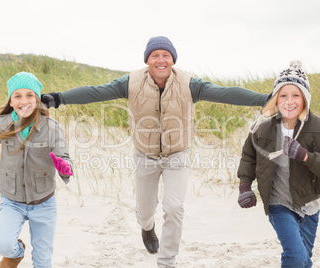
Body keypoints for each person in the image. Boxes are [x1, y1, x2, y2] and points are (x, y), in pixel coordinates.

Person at [41, 36, 268, 268]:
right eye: (155, 55)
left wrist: (263, 99)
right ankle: (147, 228)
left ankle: (166, 262)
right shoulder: (130, 83)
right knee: (145, 211)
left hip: (177, 154)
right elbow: (96, 92)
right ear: (147, 60)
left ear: (173, 60)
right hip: (145, 154)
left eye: (166, 55)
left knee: (174, 207)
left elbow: (225, 93)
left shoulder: (190, 85)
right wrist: (59, 98)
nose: (161, 60)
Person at [0, 72, 74, 268]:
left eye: (30, 95)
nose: (24, 101)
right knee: (3, 246)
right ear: (11, 101)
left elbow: (64, 157)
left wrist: (64, 168)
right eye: (17, 96)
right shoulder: (1, 124)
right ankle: (17, 253)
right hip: (12, 200)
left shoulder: (51, 127)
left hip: (44, 202)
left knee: (43, 260)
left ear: (37, 99)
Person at [237, 60, 320, 268]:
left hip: (310, 207)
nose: (289, 101)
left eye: (296, 95)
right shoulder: (262, 129)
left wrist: (305, 156)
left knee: (304, 261)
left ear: (305, 99)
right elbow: (248, 158)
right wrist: (244, 187)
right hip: (279, 205)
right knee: (295, 256)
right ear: (275, 100)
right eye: (283, 95)